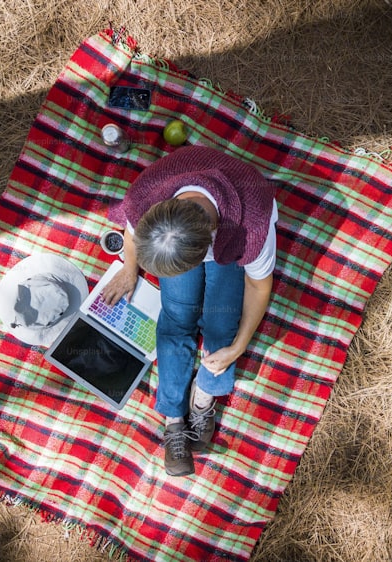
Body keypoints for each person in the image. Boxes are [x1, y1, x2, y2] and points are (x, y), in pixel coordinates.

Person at [102, 145, 278, 476]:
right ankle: (173, 419)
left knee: (222, 326)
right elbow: (131, 230)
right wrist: (130, 269)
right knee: (176, 317)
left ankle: (203, 398)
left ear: (204, 249)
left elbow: (258, 286)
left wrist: (239, 346)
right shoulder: (148, 195)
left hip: (227, 234)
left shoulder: (252, 226)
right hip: (189, 235)